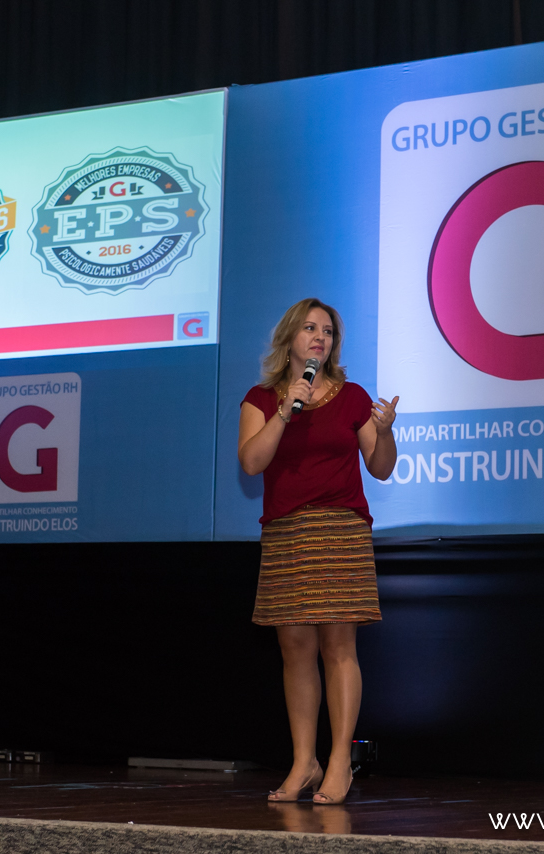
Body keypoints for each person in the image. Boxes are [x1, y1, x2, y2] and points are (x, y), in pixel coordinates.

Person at [237, 297, 399, 805]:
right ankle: (304, 761)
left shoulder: (352, 397)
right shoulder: (261, 399)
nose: (319, 338)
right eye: (310, 328)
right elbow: (251, 463)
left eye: (327, 331)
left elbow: (381, 468)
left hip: (340, 530)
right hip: (287, 532)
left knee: (338, 647)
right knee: (295, 649)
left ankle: (339, 762)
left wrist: (386, 433)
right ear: (290, 338)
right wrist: (284, 412)